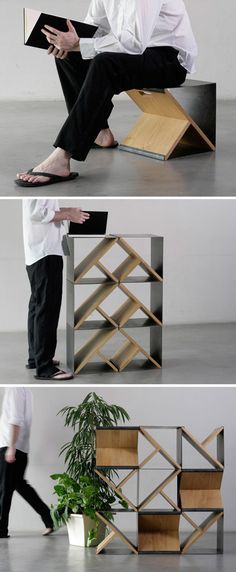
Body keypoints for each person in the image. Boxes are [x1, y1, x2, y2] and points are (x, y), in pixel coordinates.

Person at [16, 0, 197, 188]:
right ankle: (101, 133)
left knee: (104, 63)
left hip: (169, 60)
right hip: (137, 53)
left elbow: (134, 43)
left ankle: (63, 156)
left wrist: (78, 43)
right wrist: (68, 42)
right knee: (69, 55)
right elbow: (94, 29)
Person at [23, 199, 90, 381]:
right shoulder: (42, 186)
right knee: (48, 309)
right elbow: (37, 212)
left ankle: (36, 358)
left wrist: (68, 210)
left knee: (38, 306)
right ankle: (44, 367)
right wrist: (68, 215)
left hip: (39, 252)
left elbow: (43, 209)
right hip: (46, 252)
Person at [0, 388, 53, 538]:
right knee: (21, 487)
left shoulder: (14, 388)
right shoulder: (25, 390)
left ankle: (1, 529)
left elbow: (16, 419)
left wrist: (11, 447)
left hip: (11, 447)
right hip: (19, 447)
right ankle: (49, 518)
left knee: (4, 489)